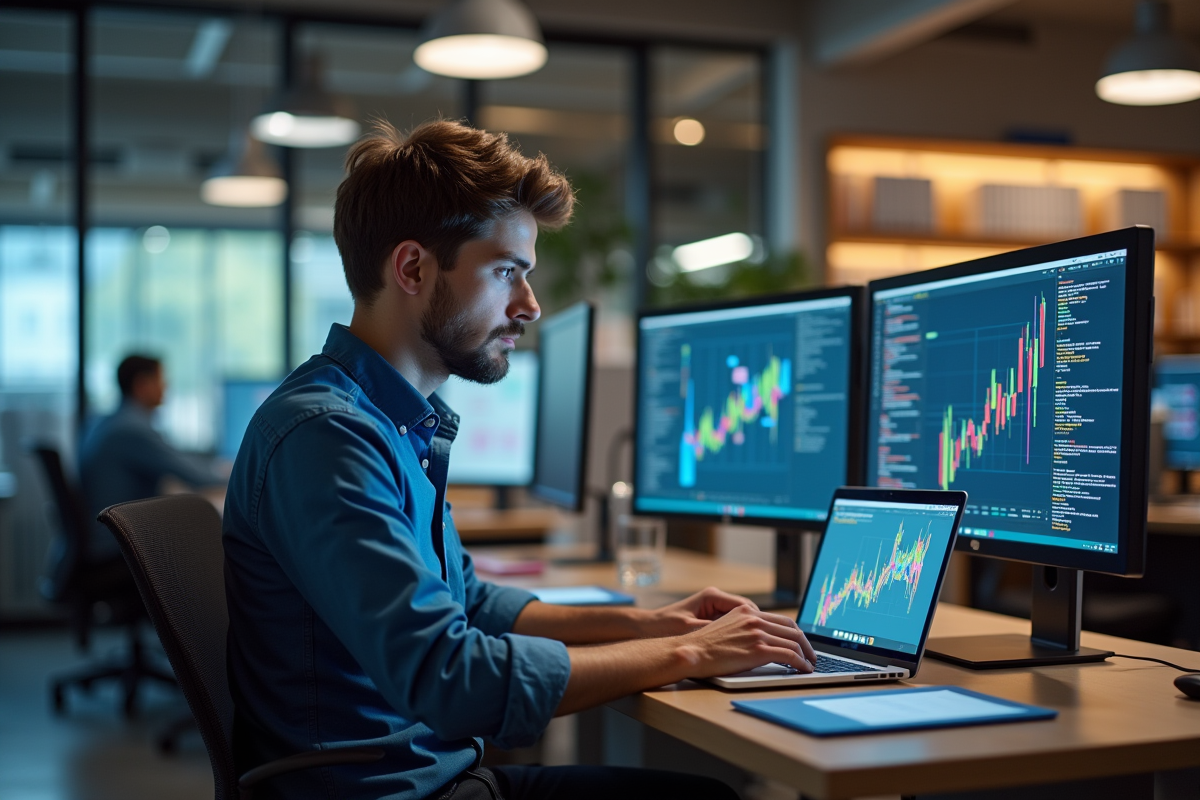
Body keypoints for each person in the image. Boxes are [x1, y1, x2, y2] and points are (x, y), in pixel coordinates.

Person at [222, 119, 817, 800]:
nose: (530, 305)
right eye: (507, 272)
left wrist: (655, 624)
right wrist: (687, 655)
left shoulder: (390, 423)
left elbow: (469, 602)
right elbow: (447, 677)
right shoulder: (327, 437)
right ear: (412, 267)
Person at [80, 354, 225, 561]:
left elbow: (174, 456)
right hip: (118, 546)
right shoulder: (131, 430)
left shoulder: (106, 421)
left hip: (107, 536)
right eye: (161, 380)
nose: (166, 387)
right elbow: (195, 476)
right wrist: (242, 474)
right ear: (142, 384)